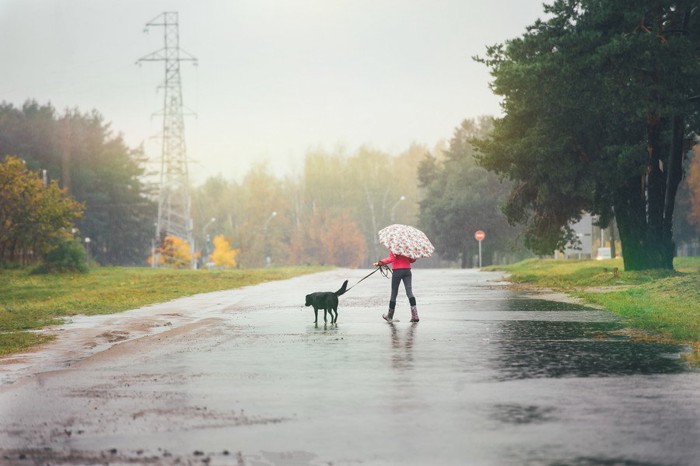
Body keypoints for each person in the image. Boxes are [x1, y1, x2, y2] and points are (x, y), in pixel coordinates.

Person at [373, 251, 419, 322]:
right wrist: (414, 256)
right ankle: (415, 316)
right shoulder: (407, 247)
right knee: (409, 292)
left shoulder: (394, 247)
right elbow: (411, 260)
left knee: (394, 293)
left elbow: (391, 259)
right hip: (407, 271)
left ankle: (390, 316)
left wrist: (380, 263)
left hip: (397, 271)